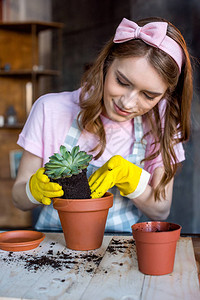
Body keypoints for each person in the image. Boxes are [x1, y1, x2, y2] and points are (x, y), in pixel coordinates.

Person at [12, 17, 193, 232]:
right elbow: (19, 199)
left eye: (149, 95)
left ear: (165, 94)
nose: (127, 102)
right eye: (122, 82)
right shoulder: (50, 109)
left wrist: (129, 177)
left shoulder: (160, 123)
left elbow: (160, 210)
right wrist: (33, 190)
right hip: (56, 246)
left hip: (121, 251)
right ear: (107, 64)